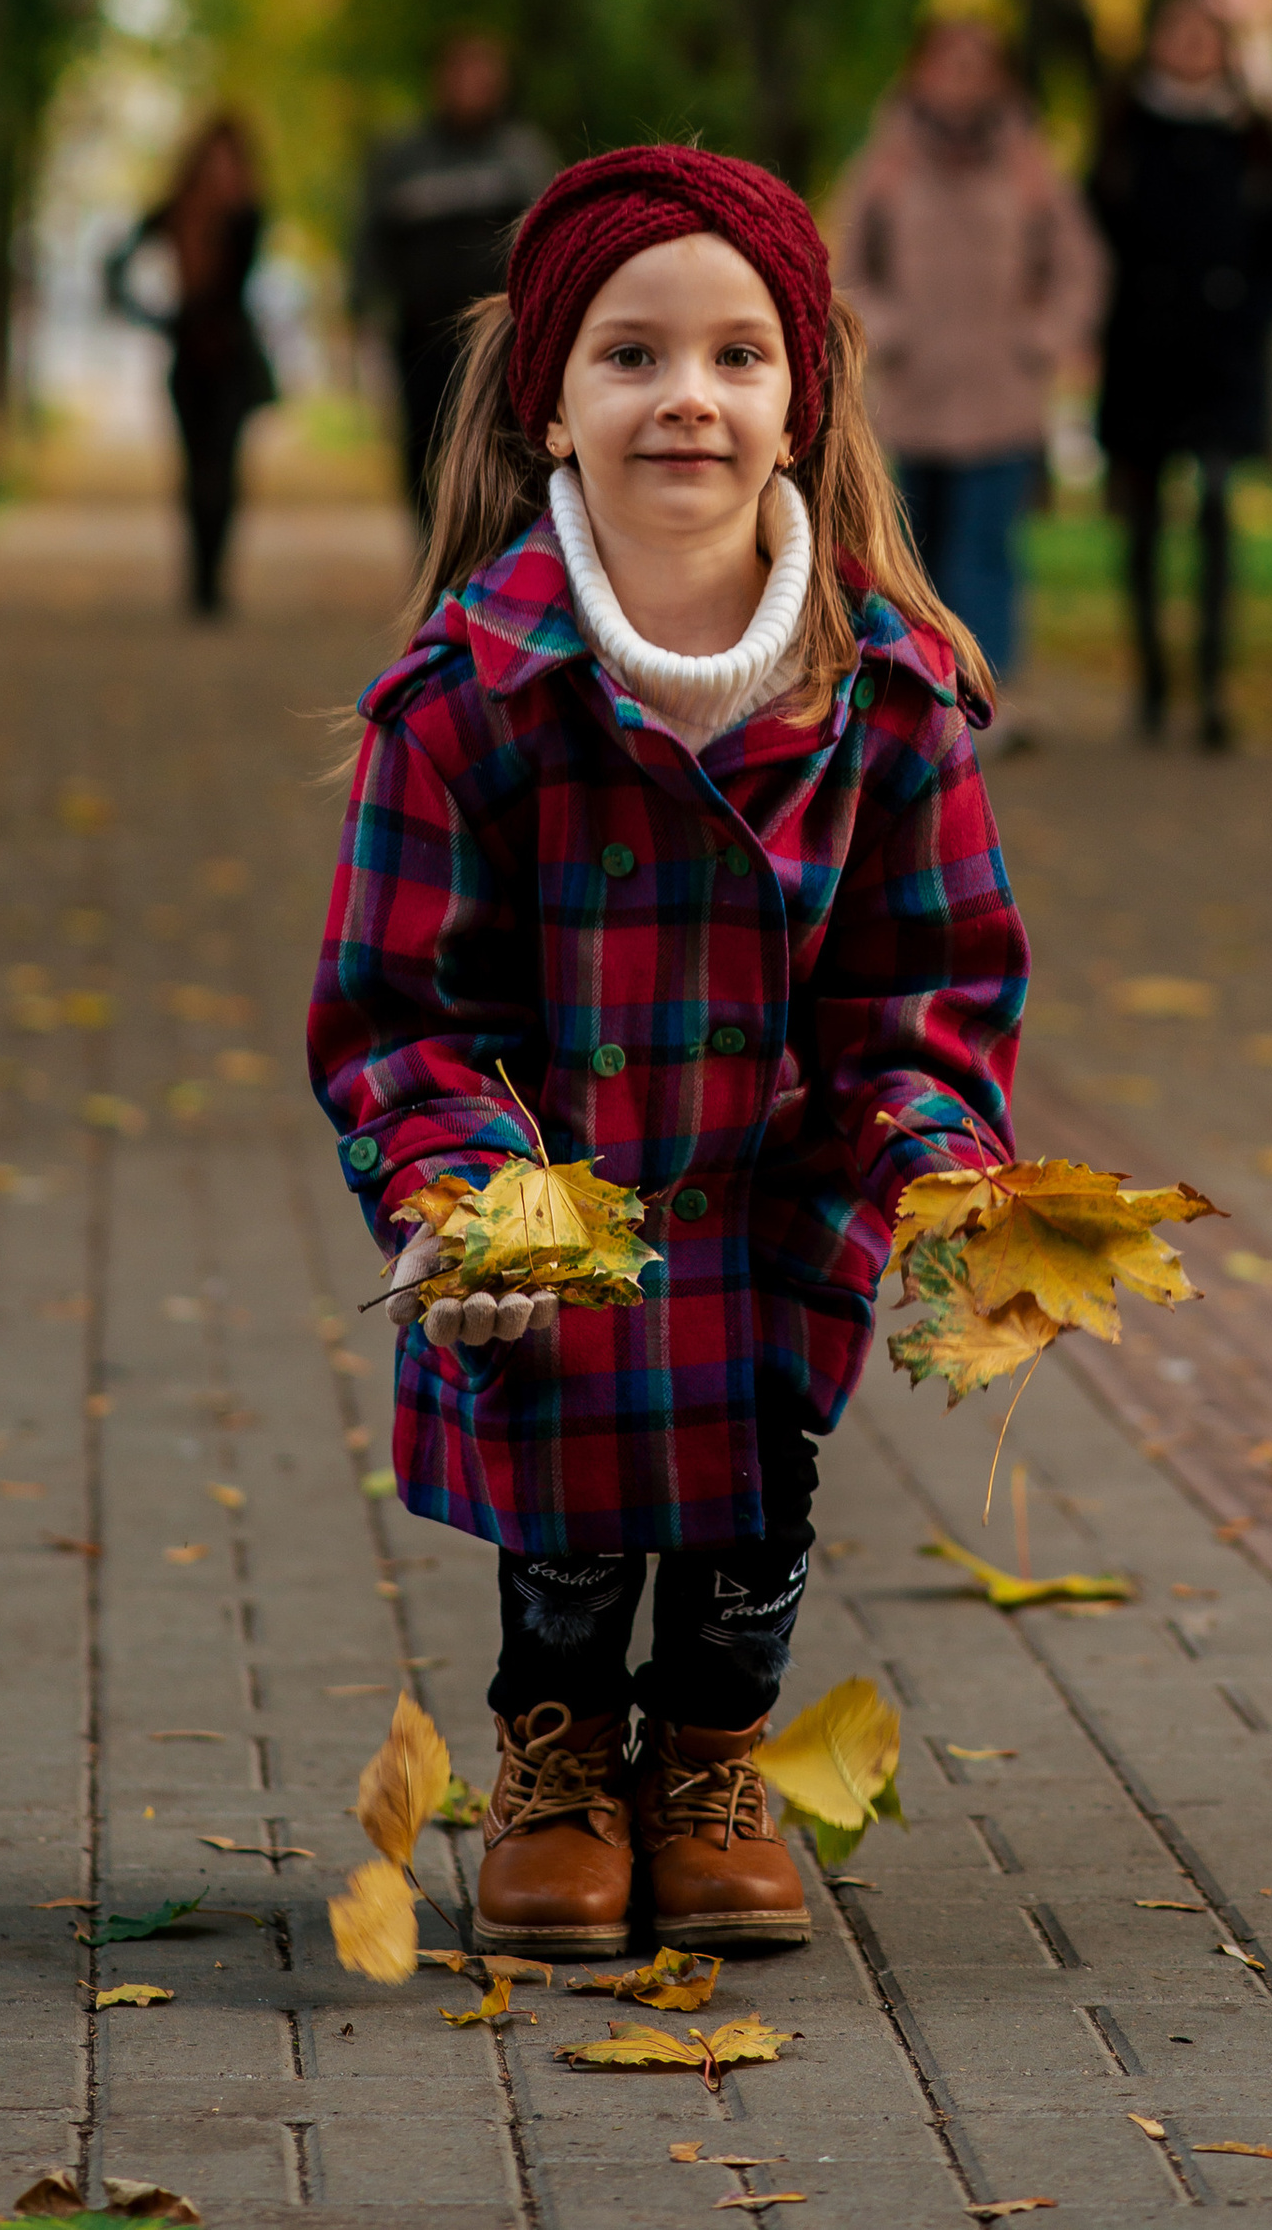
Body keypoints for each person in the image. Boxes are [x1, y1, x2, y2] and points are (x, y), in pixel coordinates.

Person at [310, 144, 1027, 1961]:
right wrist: (468, 1194)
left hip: (773, 1206)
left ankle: (710, 1758)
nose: (686, 394)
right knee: (568, 1533)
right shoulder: (469, 697)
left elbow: (924, 984)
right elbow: (405, 1008)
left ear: (801, 401)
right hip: (557, 1216)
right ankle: (556, 1759)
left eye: (736, 353)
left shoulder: (891, 695)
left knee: (750, 1514)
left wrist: (927, 1159)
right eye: (631, 354)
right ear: (551, 398)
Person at [830, 19, 1104, 729]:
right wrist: (887, 330)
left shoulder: (1029, 165)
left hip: (1000, 397)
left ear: (999, 77)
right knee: (906, 555)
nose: (960, 74)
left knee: (986, 550)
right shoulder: (885, 162)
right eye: (947, 60)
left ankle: (988, 701)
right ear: (920, 70)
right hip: (912, 396)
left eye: (977, 62)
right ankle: (914, 700)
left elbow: (1081, 268)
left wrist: (1038, 339)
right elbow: (840, 263)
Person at [1090, 0, 1272, 751]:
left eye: (1201, 34)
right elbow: (1095, 231)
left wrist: (1252, 313)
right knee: (1142, 521)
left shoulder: (1256, 138)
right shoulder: (1123, 128)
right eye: (1174, 29)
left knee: (1215, 507)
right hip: (1141, 351)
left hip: (1222, 357)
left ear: (1224, 48)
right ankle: (1151, 682)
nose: (1187, 45)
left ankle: (1212, 687)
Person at [353, 36, 557, 520]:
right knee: (423, 448)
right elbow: (371, 237)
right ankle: (433, 551)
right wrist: (363, 304)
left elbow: (553, 237)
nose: (469, 85)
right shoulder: (402, 158)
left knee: (502, 447)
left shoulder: (522, 156)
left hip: (502, 337)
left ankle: (493, 554)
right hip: (422, 336)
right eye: (459, 72)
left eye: (481, 73)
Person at [104, 110, 275, 617]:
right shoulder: (174, 213)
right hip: (188, 360)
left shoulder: (247, 216)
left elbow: (232, 284)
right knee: (194, 466)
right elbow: (117, 262)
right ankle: (199, 577)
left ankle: (214, 578)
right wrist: (153, 317)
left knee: (224, 466)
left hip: (232, 359)